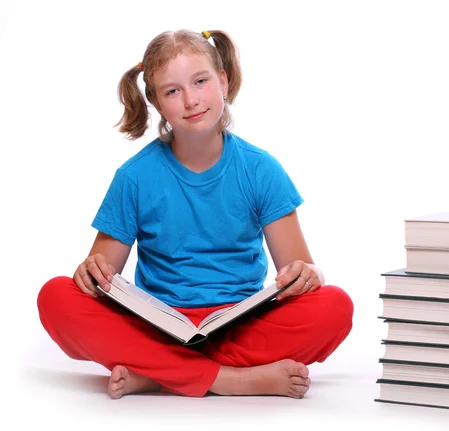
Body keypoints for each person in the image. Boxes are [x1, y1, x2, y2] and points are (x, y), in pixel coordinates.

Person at [37, 29, 353, 400]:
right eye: (172, 91)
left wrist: (309, 274)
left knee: (335, 307)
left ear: (222, 81)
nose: (191, 100)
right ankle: (229, 379)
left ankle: (160, 375)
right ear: (155, 101)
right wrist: (90, 272)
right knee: (55, 296)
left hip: (239, 323)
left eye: (200, 81)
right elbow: (101, 278)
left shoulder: (261, 169)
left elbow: (303, 271)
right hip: (159, 324)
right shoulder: (134, 177)